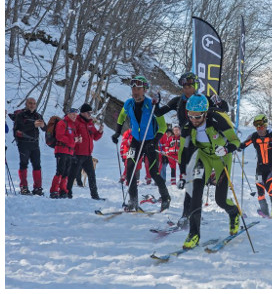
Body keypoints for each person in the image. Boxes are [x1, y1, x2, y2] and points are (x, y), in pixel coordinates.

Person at [154, 71, 229, 226]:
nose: (187, 88)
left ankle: (187, 214)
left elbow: (224, 110)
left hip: (203, 144)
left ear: (196, 86)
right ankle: (191, 213)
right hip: (187, 142)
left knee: (195, 180)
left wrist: (220, 102)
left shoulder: (204, 100)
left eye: (190, 85)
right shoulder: (178, 101)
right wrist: (156, 104)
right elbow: (159, 112)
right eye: (184, 86)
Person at [178, 94, 241, 249]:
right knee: (195, 193)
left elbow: (236, 141)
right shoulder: (187, 126)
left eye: (197, 116)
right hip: (204, 156)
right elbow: (182, 151)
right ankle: (194, 234)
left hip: (222, 157)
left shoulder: (217, 119)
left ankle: (234, 212)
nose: (194, 120)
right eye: (190, 115)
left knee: (220, 200)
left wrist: (226, 149)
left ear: (205, 113)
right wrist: (182, 173)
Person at [111, 76, 171, 212]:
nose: (135, 91)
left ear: (144, 90)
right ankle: (133, 201)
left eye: (138, 89)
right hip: (136, 141)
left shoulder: (152, 104)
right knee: (130, 170)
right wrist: (117, 133)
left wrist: (155, 141)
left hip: (150, 142)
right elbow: (121, 117)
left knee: (154, 172)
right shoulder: (128, 103)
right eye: (133, 88)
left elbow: (162, 127)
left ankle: (166, 198)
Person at [238, 114, 272, 218]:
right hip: (260, 168)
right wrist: (238, 147)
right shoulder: (254, 136)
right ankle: (265, 213)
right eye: (257, 127)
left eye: (261, 126)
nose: (259, 129)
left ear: (265, 125)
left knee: (269, 187)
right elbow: (243, 144)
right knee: (260, 189)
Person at [67, 103, 104, 200]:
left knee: (92, 175)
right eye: (88, 112)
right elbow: (71, 135)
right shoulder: (76, 122)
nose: (90, 114)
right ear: (83, 113)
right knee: (72, 175)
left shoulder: (90, 123)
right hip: (77, 154)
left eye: (91, 112)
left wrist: (100, 131)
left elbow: (95, 137)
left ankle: (95, 195)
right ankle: (67, 193)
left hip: (87, 154)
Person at [13, 97, 46, 195]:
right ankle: (24, 186)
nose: (32, 105)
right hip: (24, 143)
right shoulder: (21, 115)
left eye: (34, 103)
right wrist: (33, 125)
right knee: (24, 164)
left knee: (37, 165)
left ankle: (38, 187)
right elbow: (18, 129)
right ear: (26, 104)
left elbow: (46, 129)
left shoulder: (38, 115)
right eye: (30, 103)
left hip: (35, 143)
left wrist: (43, 126)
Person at [50, 108, 81, 198]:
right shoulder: (62, 123)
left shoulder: (72, 125)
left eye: (76, 115)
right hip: (61, 150)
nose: (75, 116)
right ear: (68, 114)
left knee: (66, 172)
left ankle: (63, 189)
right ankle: (54, 190)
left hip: (69, 151)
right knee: (60, 170)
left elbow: (72, 138)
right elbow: (59, 137)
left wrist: (77, 139)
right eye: (73, 114)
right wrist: (72, 140)